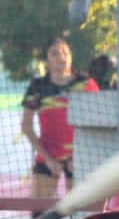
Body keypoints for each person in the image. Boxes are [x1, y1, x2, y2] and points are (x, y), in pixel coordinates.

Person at [20, 36, 82, 200]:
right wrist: (48, 159)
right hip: (48, 155)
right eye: (55, 53)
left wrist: (80, 154)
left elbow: (99, 120)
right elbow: (26, 127)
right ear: (47, 61)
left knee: (82, 215)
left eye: (65, 52)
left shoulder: (85, 83)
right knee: (38, 216)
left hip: (80, 157)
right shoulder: (38, 87)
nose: (61, 57)